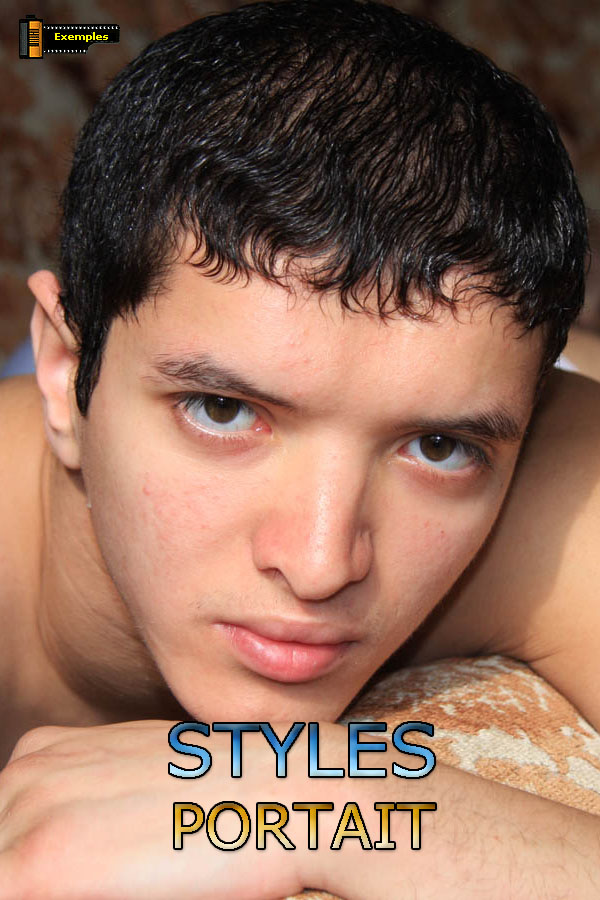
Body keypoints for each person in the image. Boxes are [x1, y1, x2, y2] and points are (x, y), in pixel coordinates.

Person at [0, 1, 598, 896]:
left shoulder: (546, 477)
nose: (321, 566)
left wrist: (334, 803)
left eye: (437, 447)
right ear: (64, 372)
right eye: (222, 410)